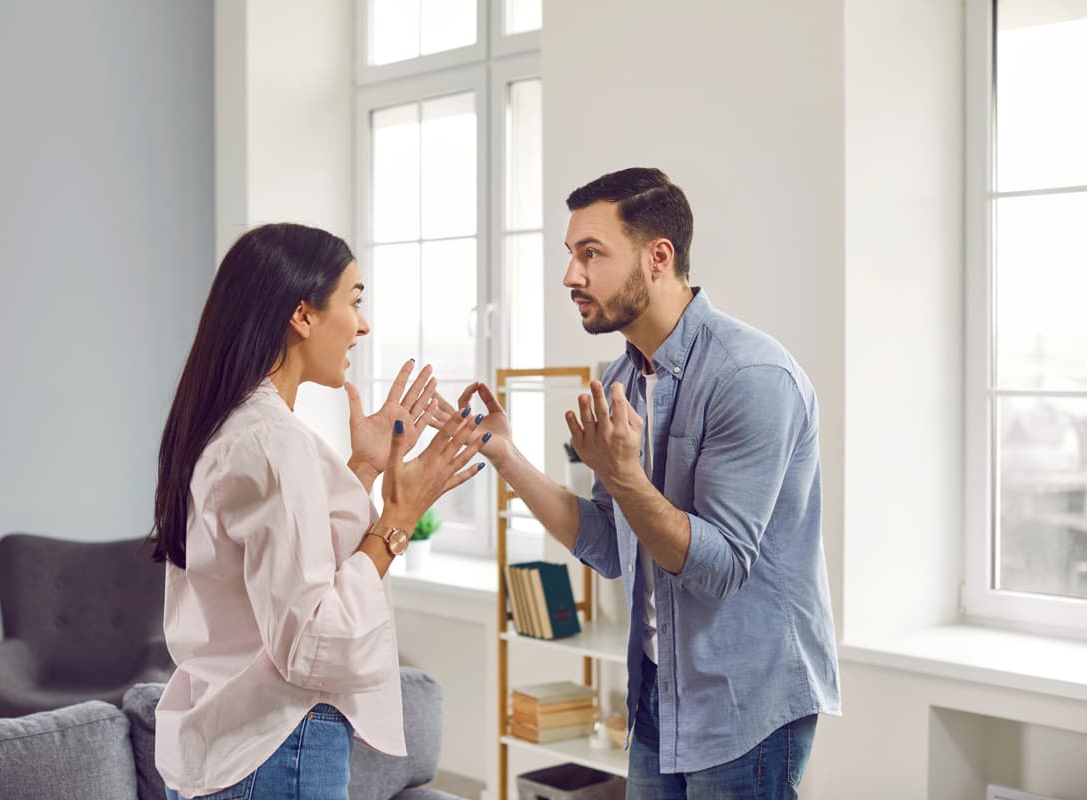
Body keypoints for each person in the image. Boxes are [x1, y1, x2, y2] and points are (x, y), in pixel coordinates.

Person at [447, 168, 840, 798]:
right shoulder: (620, 382)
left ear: (659, 258)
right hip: (659, 688)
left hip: (747, 701)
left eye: (590, 253)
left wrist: (624, 475)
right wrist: (506, 455)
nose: (570, 277)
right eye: (570, 255)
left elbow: (718, 569)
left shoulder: (751, 377)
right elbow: (608, 546)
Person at [148, 222, 489, 799]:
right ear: (302, 315)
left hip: (238, 746)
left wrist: (364, 469)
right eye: (354, 301)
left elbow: (289, 574)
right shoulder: (270, 441)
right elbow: (313, 643)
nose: (363, 324)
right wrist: (397, 520)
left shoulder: (234, 426)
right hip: (277, 747)